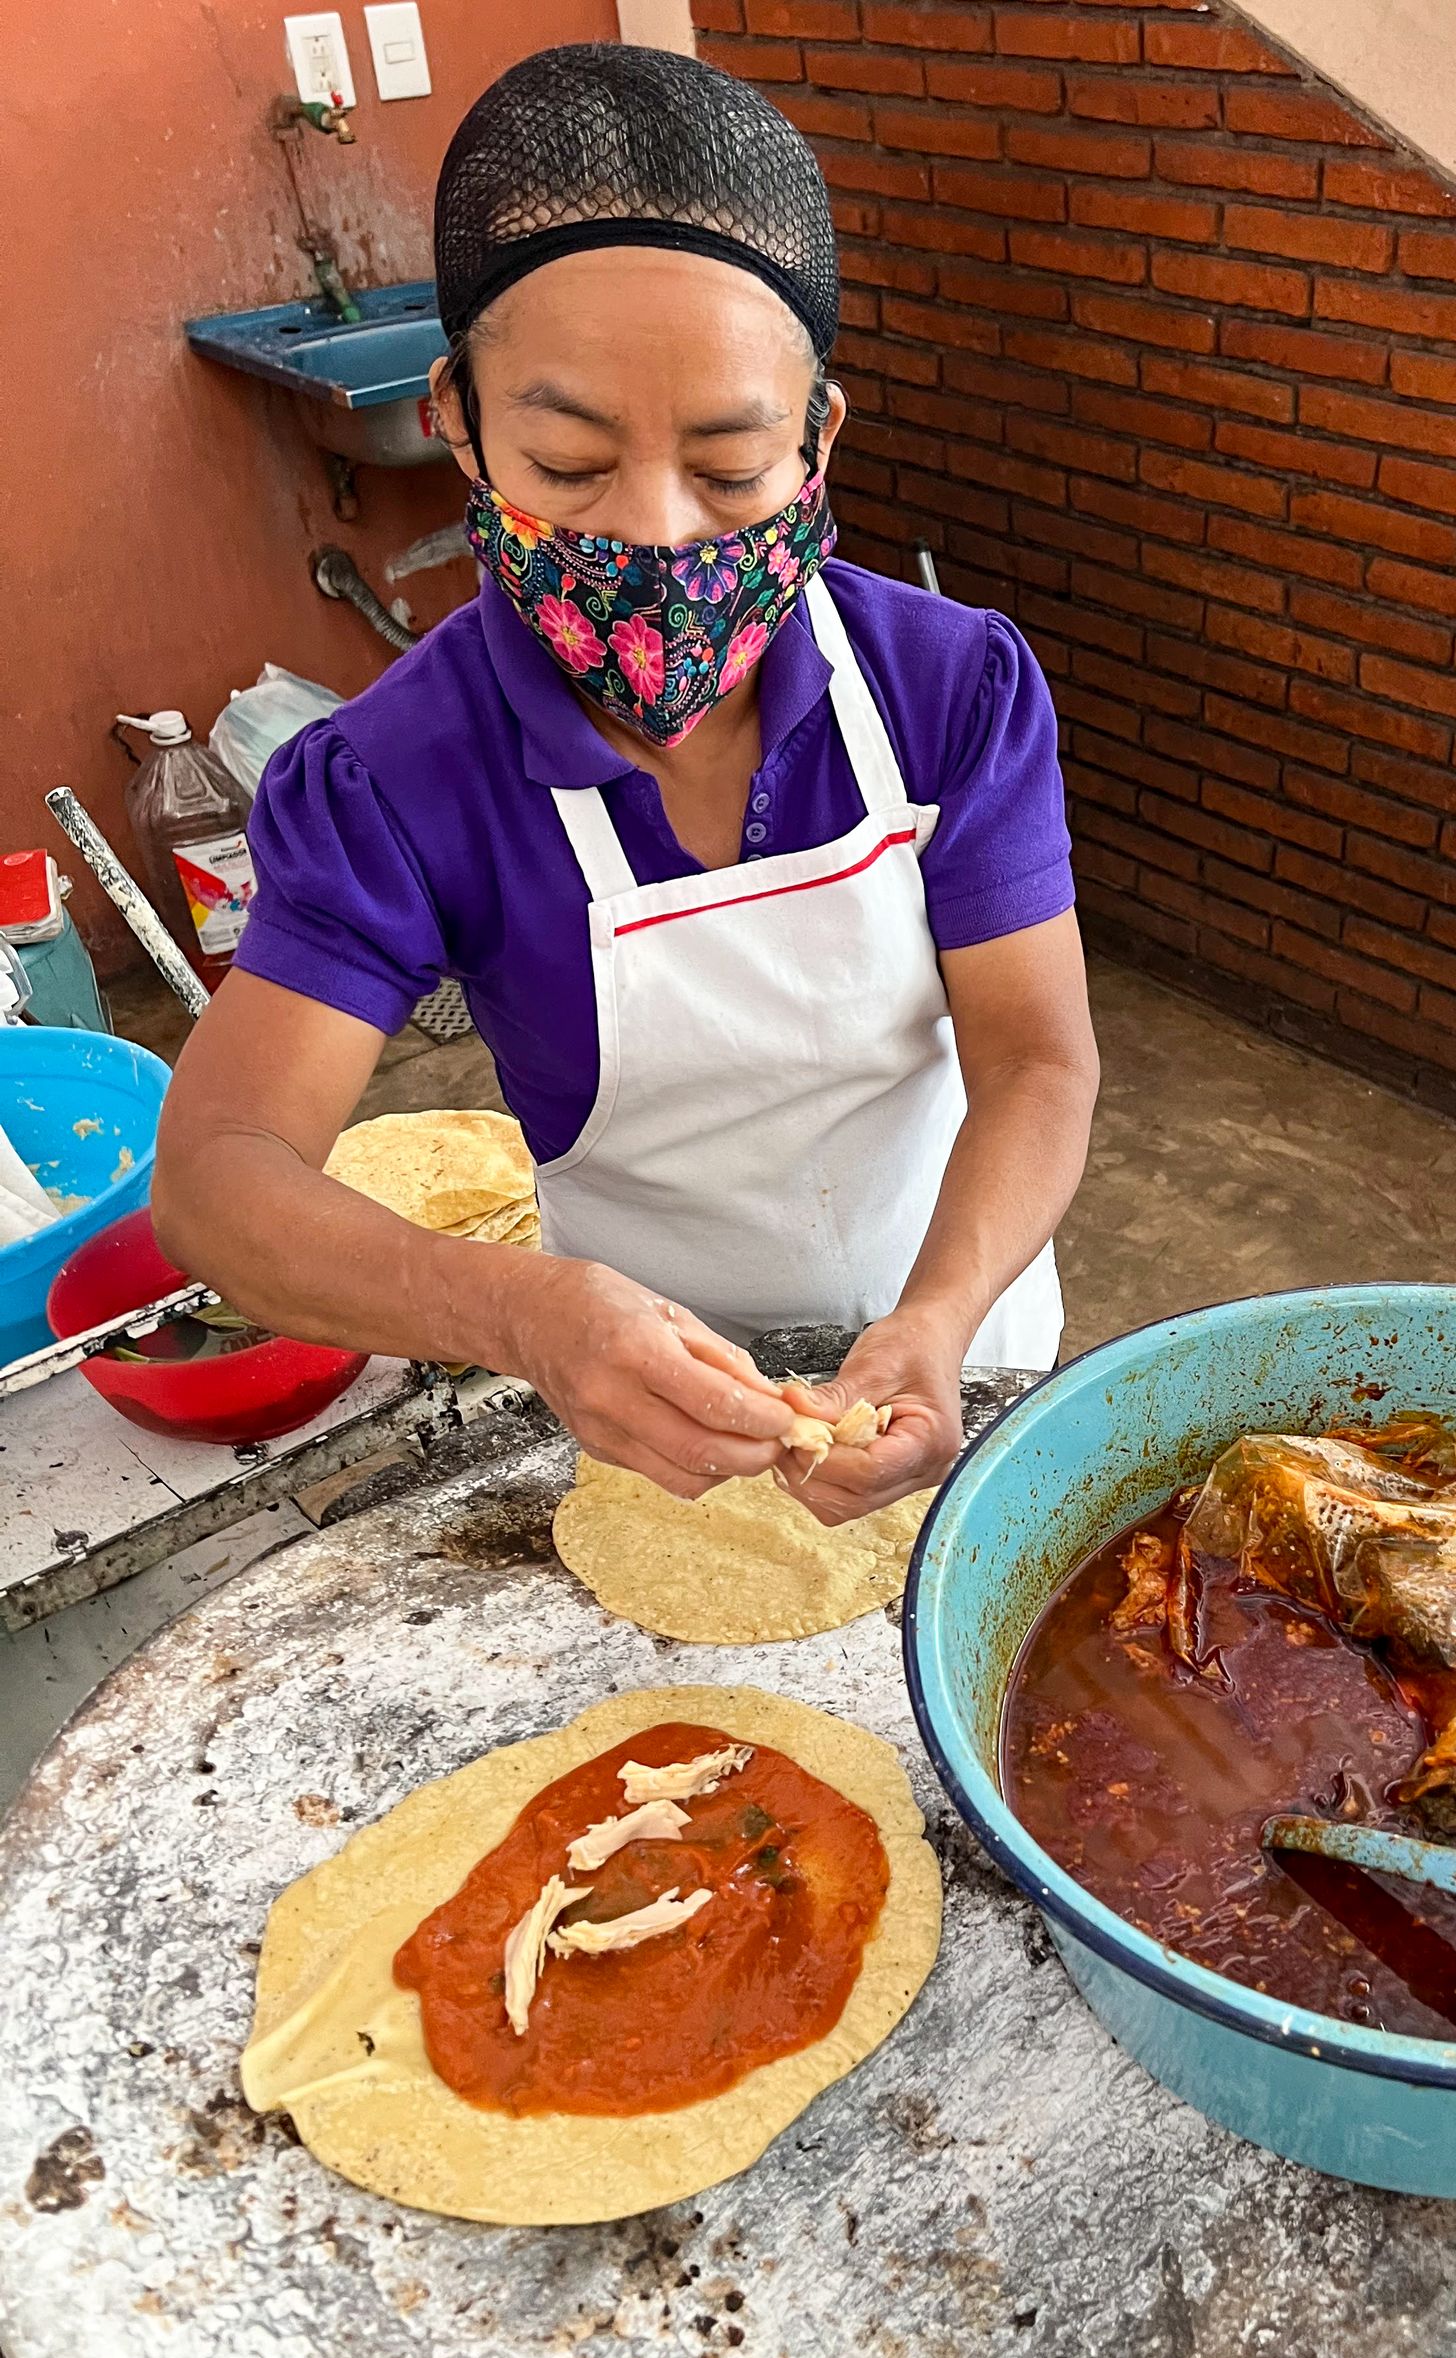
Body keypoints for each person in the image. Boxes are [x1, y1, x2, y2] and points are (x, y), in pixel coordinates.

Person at [154, 44, 1096, 1523]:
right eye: (571, 461)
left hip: (965, 1351)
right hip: (650, 1428)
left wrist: (941, 1322)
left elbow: (1039, 1061)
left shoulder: (949, 692)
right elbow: (221, 1178)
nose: (656, 537)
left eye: (730, 471)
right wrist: (527, 1317)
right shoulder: (397, 779)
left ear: (817, 438)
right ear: (459, 414)